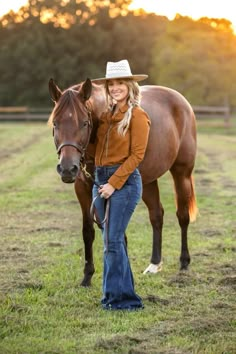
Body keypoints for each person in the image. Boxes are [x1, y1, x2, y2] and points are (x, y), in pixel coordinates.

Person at [92, 59, 150, 310]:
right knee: (110, 243)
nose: (115, 88)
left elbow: (137, 156)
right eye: (111, 84)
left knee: (112, 242)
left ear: (129, 85)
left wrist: (113, 184)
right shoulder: (106, 116)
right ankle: (118, 296)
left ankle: (121, 301)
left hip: (123, 184)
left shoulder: (137, 115)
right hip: (100, 180)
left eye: (120, 83)